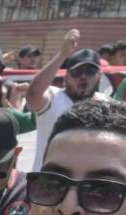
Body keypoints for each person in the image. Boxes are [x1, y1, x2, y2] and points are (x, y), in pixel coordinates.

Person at [26, 32, 113, 166]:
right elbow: (32, 95)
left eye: (90, 71)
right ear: (66, 76)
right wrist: (62, 54)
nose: (83, 77)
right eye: (76, 72)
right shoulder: (53, 97)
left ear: (99, 75)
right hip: (48, 181)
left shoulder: (108, 105)